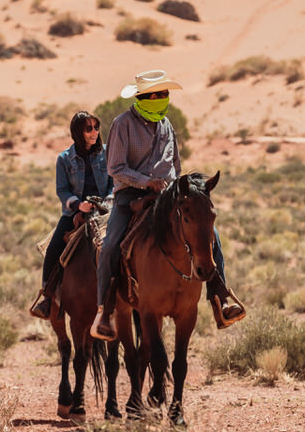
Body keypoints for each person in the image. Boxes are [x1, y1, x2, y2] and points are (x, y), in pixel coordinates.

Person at [90, 68, 246, 341]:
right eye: (156, 94)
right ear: (142, 97)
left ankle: (221, 298)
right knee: (111, 243)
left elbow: (176, 165)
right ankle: (106, 311)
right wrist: (146, 182)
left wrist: (175, 186)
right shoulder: (122, 124)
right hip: (130, 197)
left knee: (210, 235)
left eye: (165, 94)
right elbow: (115, 168)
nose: (162, 98)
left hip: (169, 196)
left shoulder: (167, 125)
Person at [30, 110, 113, 320]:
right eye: (89, 129)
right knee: (54, 248)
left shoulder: (107, 152)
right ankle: (47, 297)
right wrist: (78, 205)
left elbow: (114, 183)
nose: (94, 132)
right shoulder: (64, 159)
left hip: (105, 211)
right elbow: (62, 190)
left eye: (96, 127)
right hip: (74, 212)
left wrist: (107, 202)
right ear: (78, 132)